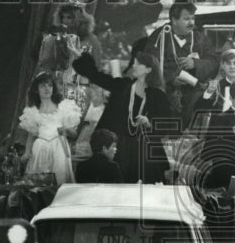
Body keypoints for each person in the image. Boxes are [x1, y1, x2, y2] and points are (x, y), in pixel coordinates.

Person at [69, 44, 172, 184]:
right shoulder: (124, 86)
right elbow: (97, 76)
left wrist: (150, 123)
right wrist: (81, 57)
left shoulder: (158, 96)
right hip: (118, 147)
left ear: (148, 69)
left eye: (137, 64)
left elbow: (167, 126)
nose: (133, 66)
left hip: (143, 150)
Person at [142, 0, 218, 121]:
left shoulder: (200, 38)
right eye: (186, 19)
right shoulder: (159, 37)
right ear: (174, 20)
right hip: (165, 95)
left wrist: (195, 64)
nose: (191, 23)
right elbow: (148, 65)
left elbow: (214, 62)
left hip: (193, 97)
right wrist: (170, 78)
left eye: (193, 18)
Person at [18, 72, 82, 186]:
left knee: (59, 181)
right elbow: (31, 135)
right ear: (37, 89)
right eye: (43, 86)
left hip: (59, 148)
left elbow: (74, 134)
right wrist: (27, 153)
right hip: (40, 148)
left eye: (49, 85)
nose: (47, 89)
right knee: (38, 183)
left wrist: (65, 130)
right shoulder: (33, 111)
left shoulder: (63, 107)